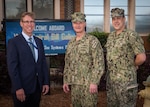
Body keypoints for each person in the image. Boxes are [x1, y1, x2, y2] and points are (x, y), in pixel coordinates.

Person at [7, 12, 50, 107]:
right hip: (22, 89)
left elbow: (42, 63)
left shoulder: (39, 41)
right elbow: (12, 67)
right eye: (26, 22)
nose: (29, 24)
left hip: (37, 88)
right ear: (21, 23)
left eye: (31, 21)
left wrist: (46, 82)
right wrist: (18, 87)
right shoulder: (14, 42)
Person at [105, 8, 146, 107]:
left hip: (126, 84)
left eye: (118, 18)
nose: (116, 21)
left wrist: (133, 65)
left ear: (124, 19)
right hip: (112, 83)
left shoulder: (131, 35)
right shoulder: (111, 36)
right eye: (113, 19)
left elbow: (141, 57)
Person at [63, 12, 105, 107]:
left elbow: (99, 63)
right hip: (75, 85)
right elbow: (68, 63)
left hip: (88, 85)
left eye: (80, 22)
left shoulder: (92, 41)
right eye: (75, 22)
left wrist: (94, 82)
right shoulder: (71, 43)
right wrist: (66, 80)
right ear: (72, 24)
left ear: (85, 23)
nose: (78, 25)